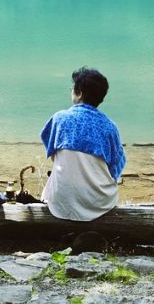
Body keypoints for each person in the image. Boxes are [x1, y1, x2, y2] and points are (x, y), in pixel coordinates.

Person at [38, 66, 126, 221]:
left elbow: (53, 156)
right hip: (99, 203)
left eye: (73, 88)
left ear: (78, 93)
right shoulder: (109, 126)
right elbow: (115, 168)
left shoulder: (59, 119)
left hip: (61, 202)